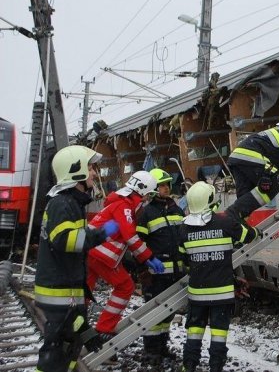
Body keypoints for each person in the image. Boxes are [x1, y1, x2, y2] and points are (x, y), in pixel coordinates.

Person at [35, 145, 119, 372]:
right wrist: (102, 233)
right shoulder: (63, 203)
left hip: (66, 292)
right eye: (91, 167)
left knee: (70, 346)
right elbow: (65, 240)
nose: (94, 173)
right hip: (59, 293)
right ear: (76, 170)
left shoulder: (69, 202)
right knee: (56, 355)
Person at [179, 181, 259, 372]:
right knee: (219, 334)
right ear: (210, 200)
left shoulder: (183, 229)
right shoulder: (225, 222)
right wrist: (256, 231)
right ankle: (215, 367)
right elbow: (248, 236)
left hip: (197, 294)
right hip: (221, 294)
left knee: (194, 332)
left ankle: (189, 365)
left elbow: (183, 261)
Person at [87, 170, 164, 340]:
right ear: (142, 191)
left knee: (84, 292)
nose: (147, 199)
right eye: (148, 195)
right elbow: (130, 236)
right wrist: (150, 258)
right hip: (101, 254)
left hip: (89, 252)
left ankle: (74, 328)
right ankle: (104, 330)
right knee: (125, 286)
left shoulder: (119, 202)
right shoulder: (125, 206)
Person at [136, 168, 185, 362]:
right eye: (161, 185)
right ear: (153, 189)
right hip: (155, 274)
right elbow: (138, 243)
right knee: (153, 313)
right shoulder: (146, 213)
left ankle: (162, 346)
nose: (165, 188)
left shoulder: (177, 209)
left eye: (167, 184)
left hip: (175, 272)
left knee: (168, 312)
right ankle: (150, 350)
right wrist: (142, 269)